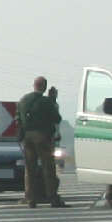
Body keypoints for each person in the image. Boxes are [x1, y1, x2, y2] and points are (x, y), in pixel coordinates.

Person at [17, 76, 66, 207]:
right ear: (44, 87)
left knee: (29, 168)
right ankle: (52, 197)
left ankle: (30, 198)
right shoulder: (46, 102)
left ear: (34, 85)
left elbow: (18, 119)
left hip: (27, 137)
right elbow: (57, 118)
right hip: (42, 137)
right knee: (48, 168)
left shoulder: (23, 100)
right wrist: (52, 100)